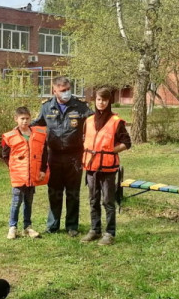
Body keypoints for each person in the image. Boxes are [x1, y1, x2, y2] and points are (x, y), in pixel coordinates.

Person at [32, 76, 92, 237]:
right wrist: (20, 128)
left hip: (74, 156)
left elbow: (94, 123)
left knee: (73, 192)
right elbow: (35, 125)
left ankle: (72, 226)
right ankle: (53, 225)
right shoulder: (46, 107)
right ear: (54, 91)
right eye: (62, 90)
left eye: (67, 89)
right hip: (54, 156)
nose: (66, 93)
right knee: (54, 192)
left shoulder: (80, 107)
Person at [80, 88, 131, 246]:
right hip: (91, 167)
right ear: (95, 101)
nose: (101, 103)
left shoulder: (116, 121)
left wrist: (110, 150)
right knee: (93, 200)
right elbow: (85, 139)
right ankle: (95, 230)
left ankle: (110, 233)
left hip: (108, 168)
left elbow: (126, 143)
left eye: (104, 100)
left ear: (109, 102)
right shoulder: (88, 121)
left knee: (108, 201)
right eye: (99, 100)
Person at [2, 106, 49, 240]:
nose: (25, 121)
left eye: (27, 118)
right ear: (16, 119)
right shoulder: (9, 136)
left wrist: (42, 170)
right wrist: (13, 168)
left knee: (29, 201)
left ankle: (27, 227)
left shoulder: (38, 134)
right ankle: (13, 227)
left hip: (33, 174)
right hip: (19, 174)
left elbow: (44, 153)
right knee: (16, 201)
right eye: (22, 119)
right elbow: (5, 155)